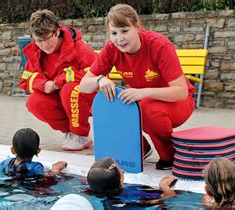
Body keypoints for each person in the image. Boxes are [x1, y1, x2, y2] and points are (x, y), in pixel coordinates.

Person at [79, 3, 195, 169]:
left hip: (179, 103)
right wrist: (99, 80)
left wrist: (143, 93)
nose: (119, 38)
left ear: (138, 27)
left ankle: (169, 155)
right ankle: (141, 147)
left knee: (147, 108)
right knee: (106, 102)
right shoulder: (112, 49)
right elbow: (84, 85)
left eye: (125, 31)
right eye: (114, 33)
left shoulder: (159, 45)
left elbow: (181, 92)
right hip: (143, 99)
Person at [18, 9, 97, 151]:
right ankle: (71, 133)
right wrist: (44, 84)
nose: (45, 45)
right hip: (60, 98)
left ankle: (80, 134)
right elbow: (26, 81)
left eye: (48, 38)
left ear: (57, 32)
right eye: (39, 41)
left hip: (88, 97)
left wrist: (64, 78)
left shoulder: (78, 48)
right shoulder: (36, 52)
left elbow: (97, 74)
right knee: (34, 102)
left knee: (69, 90)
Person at [0, 128, 67, 179]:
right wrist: (56, 169)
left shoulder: (6, 162)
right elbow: (50, 176)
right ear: (38, 151)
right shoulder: (35, 167)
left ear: (12, 150)